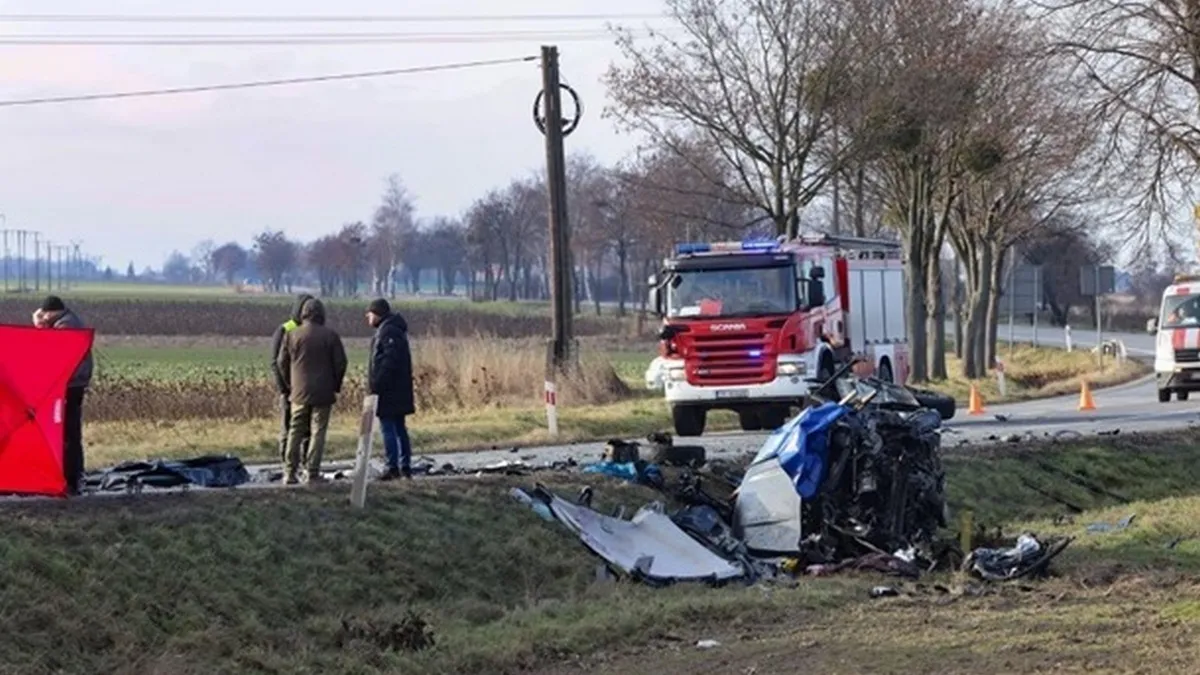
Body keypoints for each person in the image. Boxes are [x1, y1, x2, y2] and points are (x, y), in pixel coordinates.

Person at [277, 298, 348, 485]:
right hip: (323, 392)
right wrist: (335, 385)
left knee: (295, 430)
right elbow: (341, 363)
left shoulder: (291, 335)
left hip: (298, 392)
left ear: (303, 313)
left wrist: (289, 384)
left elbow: (280, 363)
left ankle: (289, 472)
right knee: (318, 432)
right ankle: (312, 472)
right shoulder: (331, 336)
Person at [33, 296, 94, 496]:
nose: (44, 317)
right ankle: (72, 475)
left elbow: (51, 350)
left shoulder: (66, 326)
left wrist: (40, 326)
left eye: (45, 314)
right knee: (68, 431)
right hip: (73, 383)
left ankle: (72, 477)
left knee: (68, 432)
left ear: (51, 312)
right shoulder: (67, 322)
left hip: (70, 385)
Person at [366, 298, 416, 481]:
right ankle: (405, 466)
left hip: (389, 391)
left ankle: (393, 466)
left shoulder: (387, 331)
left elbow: (388, 361)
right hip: (399, 390)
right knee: (400, 428)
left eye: (370, 313)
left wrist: (376, 384)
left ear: (378, 314)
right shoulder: (394, 329)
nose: (367, 316)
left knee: (388, 428)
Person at [270, 293, 314, 465]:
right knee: (289, 427)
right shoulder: (285, 329)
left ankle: (305, 462)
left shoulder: (310, 330)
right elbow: (275, 362)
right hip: (289, 389)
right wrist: (284, 388)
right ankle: (287, 462)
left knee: (307, 429)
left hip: (305, 389)